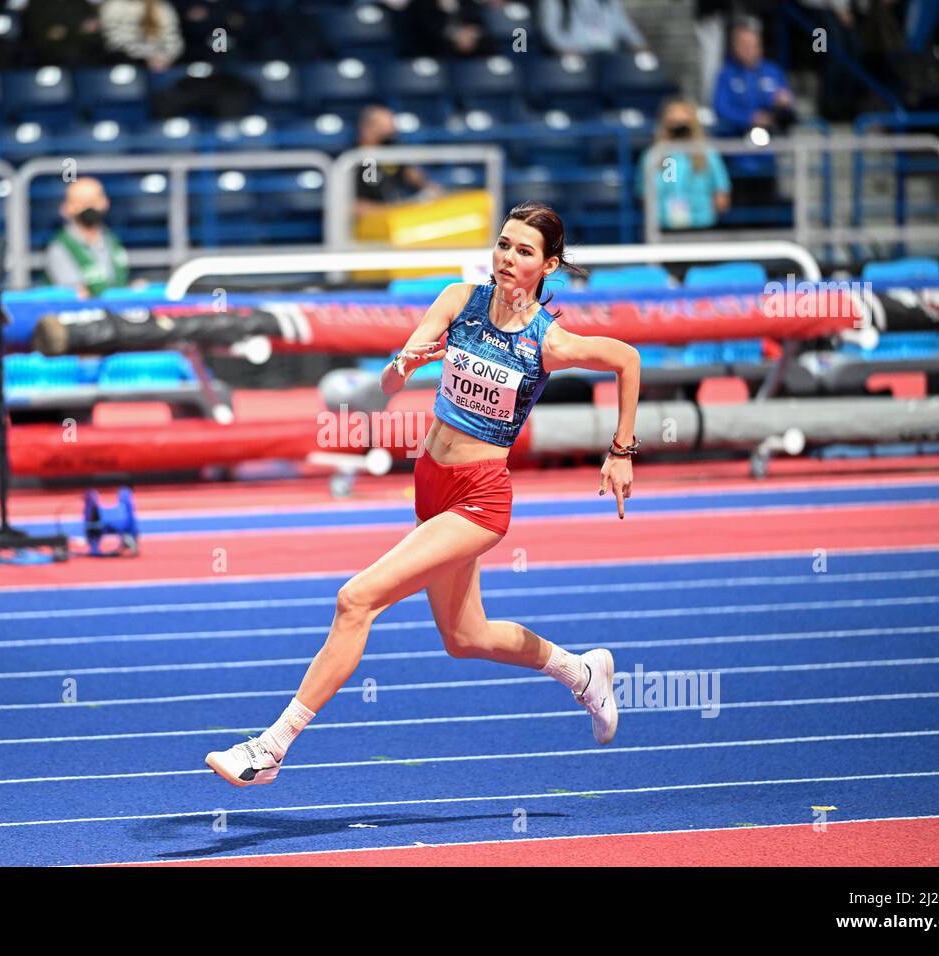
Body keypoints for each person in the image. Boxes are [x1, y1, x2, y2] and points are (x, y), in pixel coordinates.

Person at [205, 200, 641, 786]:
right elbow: (384, 385)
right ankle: (581, 671)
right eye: (504, 245)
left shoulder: (549, 341)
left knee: (356, 600)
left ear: (550, 266)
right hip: (431, 483)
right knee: (466, 638)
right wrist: (401, 367)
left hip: (480, 500)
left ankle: (271, 748)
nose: (508, 258)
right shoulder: (458, 302)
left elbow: (627, 358)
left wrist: (620, 451)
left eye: (524, 252)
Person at [712, 17, 794, 215]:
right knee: (740, 217)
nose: (749, 49)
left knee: (768, 214)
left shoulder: (772, 72)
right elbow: (721, 108)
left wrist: (783, 104)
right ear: (734, 47)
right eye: (744, 45)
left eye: (753, 45)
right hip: (736, 159)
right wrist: (750, 118)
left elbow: (787, 106)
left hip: (767, 158)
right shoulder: (726, 75)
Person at [636, 98, 731, 232]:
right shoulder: (653, 156)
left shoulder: (707, 154)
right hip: (664, 227)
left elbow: (721, 196)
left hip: (701, 225)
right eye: (674, 122)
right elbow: (644, 196)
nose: (679, 128)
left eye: (683, 123)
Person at [44, 177, 131, 297]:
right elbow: (76, 295)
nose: (89, 207)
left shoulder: (111, 239)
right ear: (66, 208)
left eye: (94, 200)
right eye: (81, 202)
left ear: (105, 202)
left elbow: (119, 282)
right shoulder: (61, 246)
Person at [353, 104, 440, 219]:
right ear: (370, 127)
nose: (392, 128)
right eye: (385, 124)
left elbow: (412, 174)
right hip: (370, 225)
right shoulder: (352, 161)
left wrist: (427, 188)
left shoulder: (390, 151)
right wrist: (390, 211)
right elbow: (353, 207)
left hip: (397, 218)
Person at [538, 0, 651, 56]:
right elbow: (550, 32)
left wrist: (638, 44)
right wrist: (565, 50)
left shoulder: (609, 1)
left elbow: (624, 26)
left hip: (609, 56)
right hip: (578, 56)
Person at [100, 0, 183, 71]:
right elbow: (114, 40)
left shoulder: (161, 6)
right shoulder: (114, 6)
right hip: (126, 61)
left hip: (160, 63)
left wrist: (166, 57)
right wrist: (147, 56)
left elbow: (172, 37)